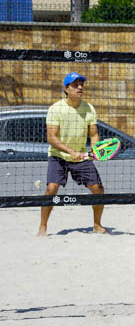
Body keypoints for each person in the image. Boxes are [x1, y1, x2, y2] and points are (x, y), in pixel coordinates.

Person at [38, 72, 106, 236]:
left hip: (81, 157)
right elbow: (51, 137)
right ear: (66, 89)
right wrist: (70, 151)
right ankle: (43, 226)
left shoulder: (89, 108)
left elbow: (94, 134)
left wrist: (95, 150)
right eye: (75, 85)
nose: (80, 87)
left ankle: (97, 225)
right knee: (51, 189)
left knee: (98, 189)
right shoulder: (56, 108)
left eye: (81, 84)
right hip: (59, 156)